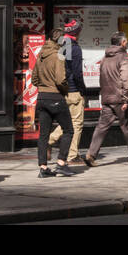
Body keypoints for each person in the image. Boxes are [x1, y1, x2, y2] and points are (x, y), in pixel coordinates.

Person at [84, 32, 128, 167]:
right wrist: (126, 99)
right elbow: (126, 80)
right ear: (122, 43)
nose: (127, 43)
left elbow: (102, 78)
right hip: (120, 99)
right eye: (126, 41)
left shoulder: (105, 58)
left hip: (107, 98)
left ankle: (91, 154)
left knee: (102, 127)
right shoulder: (124, 57)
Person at [33, 28, 76, 178]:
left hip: (42, 97)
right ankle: (61, 164)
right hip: (55, 97)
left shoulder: (41, 55)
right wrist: (64, 90)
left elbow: (34, 79)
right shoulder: (58, 56)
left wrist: (43, 87)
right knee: (69, 130)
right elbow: (60, 80)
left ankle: (43, 168)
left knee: (43, 134)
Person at [47, 17, 85, 168]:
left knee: (67, 123)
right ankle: (72, 155)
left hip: (62, 90)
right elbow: (77, 73)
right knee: (76, 123)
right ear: (77, 32)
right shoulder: (74, 48)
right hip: (73, 90)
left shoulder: (62, 45)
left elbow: (62, 69)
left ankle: (48, 142)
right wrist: (82, 90)